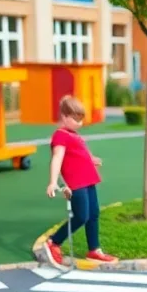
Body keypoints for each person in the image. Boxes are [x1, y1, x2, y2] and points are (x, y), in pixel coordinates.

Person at [45, 96, 118, 266]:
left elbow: (78, 154)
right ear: (64, 117)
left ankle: (94, 249)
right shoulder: (60, 135)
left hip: (88, 180)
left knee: (93, 214)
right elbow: (57, 157)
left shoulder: (72, 134)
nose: (79, 123)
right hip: (76, 183)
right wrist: (53, 181)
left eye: (81, 119)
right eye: (75, 119)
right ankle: (53, 241)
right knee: (81, 216)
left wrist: (91, 159)